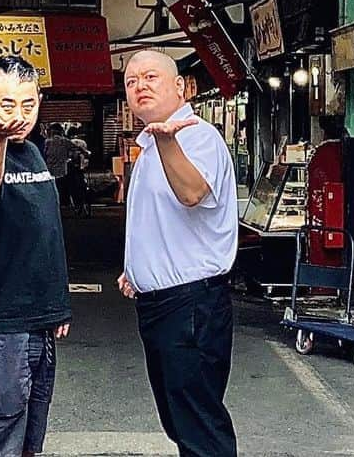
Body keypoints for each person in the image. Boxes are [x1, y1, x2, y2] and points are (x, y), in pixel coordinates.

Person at [117, 50, 238, 457]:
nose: (140, 86)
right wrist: (137, 267)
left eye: (151, 76)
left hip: (190, 305)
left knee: (200, 427)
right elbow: (160, 218)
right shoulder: (150, 144)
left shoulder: (197, 136)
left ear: (180, 87)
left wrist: (168, 140)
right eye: (131, 81)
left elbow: (191, 193)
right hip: (160, 305)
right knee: (179, 420)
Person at [0, 56, 71, 457]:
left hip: (36, 323)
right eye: (7, 106)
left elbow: (44, 233)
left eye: (28, 104)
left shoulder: (35, 154)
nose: (19, 116)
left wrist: (56, 307)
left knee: (26, 442)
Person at [42, 123, 73, 207]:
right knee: (62, 186)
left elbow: (44, 153)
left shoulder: (47, 142)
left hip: (49, 168)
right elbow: (75, 149)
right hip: (62, 169)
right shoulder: (65, 141)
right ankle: (63, 202)